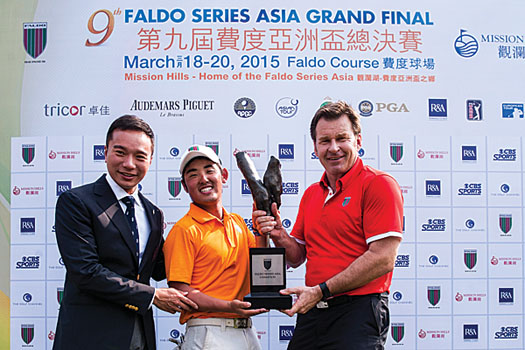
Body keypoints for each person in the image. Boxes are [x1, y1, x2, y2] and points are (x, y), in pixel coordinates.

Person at [253, 101, 403, 349]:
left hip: (358, 312)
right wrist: (280, 235)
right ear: (315, 147)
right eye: (325, 141)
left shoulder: (379, 184)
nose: (334, 148)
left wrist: (321, 290)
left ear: (358, 140)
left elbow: (383, 258)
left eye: (341, 138)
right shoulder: (312, 193)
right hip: (313, 313)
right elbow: (297, 255)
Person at [53, 115, 198, 350]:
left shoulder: (153, 213)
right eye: (120, 152)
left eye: (140, 156)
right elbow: (86, 272)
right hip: (89, 337)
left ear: (151, 160)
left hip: (140, 336)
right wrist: (152, 296)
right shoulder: (77, 202)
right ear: (105, 151)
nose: (129, 164)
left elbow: (162, 268)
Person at [164, 145, 267, 350]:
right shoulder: (184, 229)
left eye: (209, 170)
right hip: (209, 332)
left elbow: (261, 270)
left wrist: (262, 229)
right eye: (193, 174)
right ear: (184, 186)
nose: (203, 178)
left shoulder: (238, 223)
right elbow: (179, 291)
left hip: (246, 331)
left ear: (224, 176)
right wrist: (229, 306)